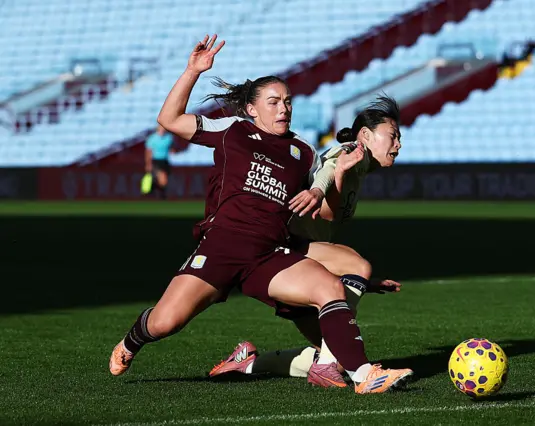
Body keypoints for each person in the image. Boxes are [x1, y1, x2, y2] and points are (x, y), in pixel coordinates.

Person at [108, 34, 412, 394]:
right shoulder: (233, 131)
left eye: (287, 101)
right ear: (252, 109)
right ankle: (131, 341)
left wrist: (336, 179)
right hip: (222, 246)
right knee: (165, 322)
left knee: (331, 288)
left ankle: (365, 376)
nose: (284, 108)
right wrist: (192, 71)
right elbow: (170, 119)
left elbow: (329, 215)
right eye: (274, 102)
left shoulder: (303, 152)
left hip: (270, 252)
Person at [209, 96, 404, 388]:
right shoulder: (355, 152)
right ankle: (336, 368)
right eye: (393, 136)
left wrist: (364, 282)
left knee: (338, 353)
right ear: (366, 134)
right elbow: (329, 169)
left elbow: (328, 214)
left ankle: (248, 363)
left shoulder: (359, 167)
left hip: (301, 258)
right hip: (285, 250)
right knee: (356, 266)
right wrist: (322, 185)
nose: (398, 144)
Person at [144, 125, 174, 199]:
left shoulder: (169, 138)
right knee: (162, 178)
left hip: (165, 160)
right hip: (156, 160)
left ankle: (155, 191)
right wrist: (148, 163)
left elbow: (171, 148)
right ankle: (161, 195)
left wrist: (173, 151)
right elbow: (148, 152)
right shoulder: (152, 138)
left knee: (163, 180)